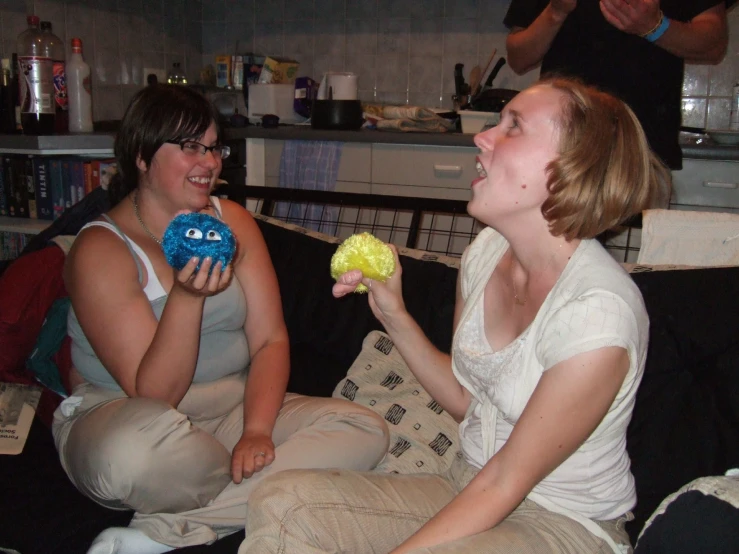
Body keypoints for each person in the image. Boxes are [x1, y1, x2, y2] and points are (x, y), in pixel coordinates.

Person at [237, 77, 671, 554]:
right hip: (468, 481)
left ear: (571, 166)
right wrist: (394, 312)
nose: (482, 137)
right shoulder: (486, 254)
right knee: (283, 502)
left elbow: (508, 478)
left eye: (514, 126)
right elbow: (469, 400)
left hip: (563, 523)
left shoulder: (598, 313)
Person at [52, 84, 389, 554]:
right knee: (129, 457)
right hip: (128, 420)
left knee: (364, 429)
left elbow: (270, 341)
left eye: (214, 147)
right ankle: (259, 489)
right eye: (190, 146)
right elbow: (154, 393)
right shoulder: (101, 249)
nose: (209, 163)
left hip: (229, 413)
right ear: (143, 157)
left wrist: (257, 430)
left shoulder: (233, 221)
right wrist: (187, 297)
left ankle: (164, 529)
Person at [503, 0, 732, 171]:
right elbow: (518, 58)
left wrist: (654, 26)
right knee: (551, 235)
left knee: (639, 235)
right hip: (557, 150)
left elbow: (713, 44)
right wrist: (555, 11)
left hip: (642, 154)